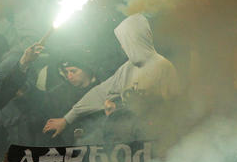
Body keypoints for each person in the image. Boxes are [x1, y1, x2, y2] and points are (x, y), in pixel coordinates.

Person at [43, 13, 179, 140]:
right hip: (128, 137)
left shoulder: (163, 67)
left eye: (124, 41)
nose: (121, 46)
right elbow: (100, 93)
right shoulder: (127, 69)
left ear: (135, 40)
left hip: (152, 139)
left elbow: (172, 110)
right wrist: (67, 119)